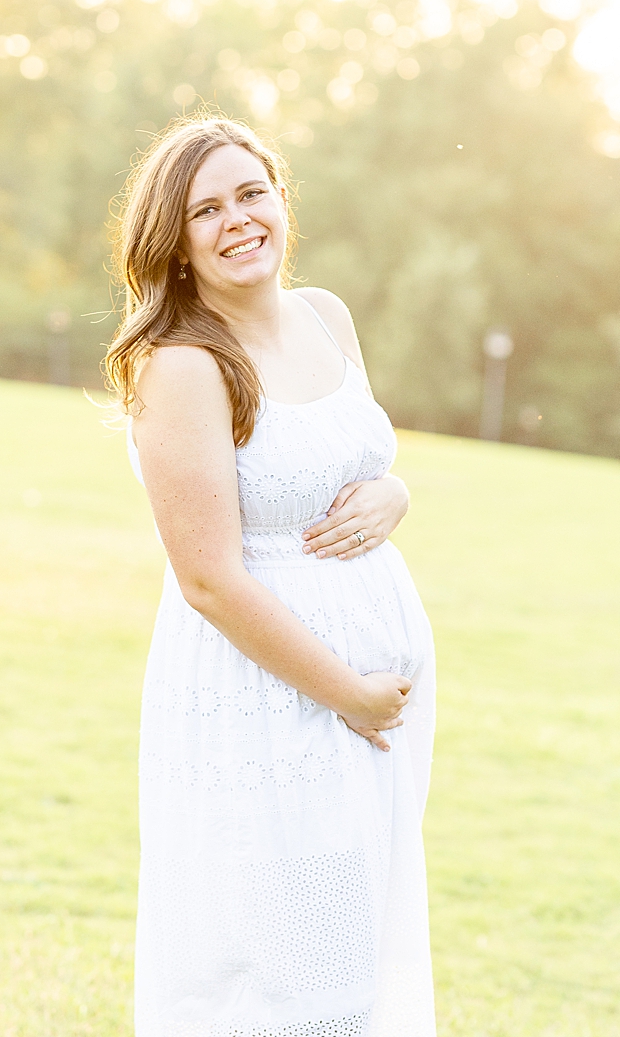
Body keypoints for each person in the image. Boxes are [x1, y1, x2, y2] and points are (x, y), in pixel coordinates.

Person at [104, 114, 436, 1035]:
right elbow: (209, 577)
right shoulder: (182, 363)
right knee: (276, 970)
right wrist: (353, 696)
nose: (236, 219)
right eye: (205, 209)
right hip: (269, 695)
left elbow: (350, 460)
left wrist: (396, 495)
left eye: (251, 192)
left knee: (357, 948)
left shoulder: (327, 316)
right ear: (175, 243)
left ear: (282, 198)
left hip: (369, 701)